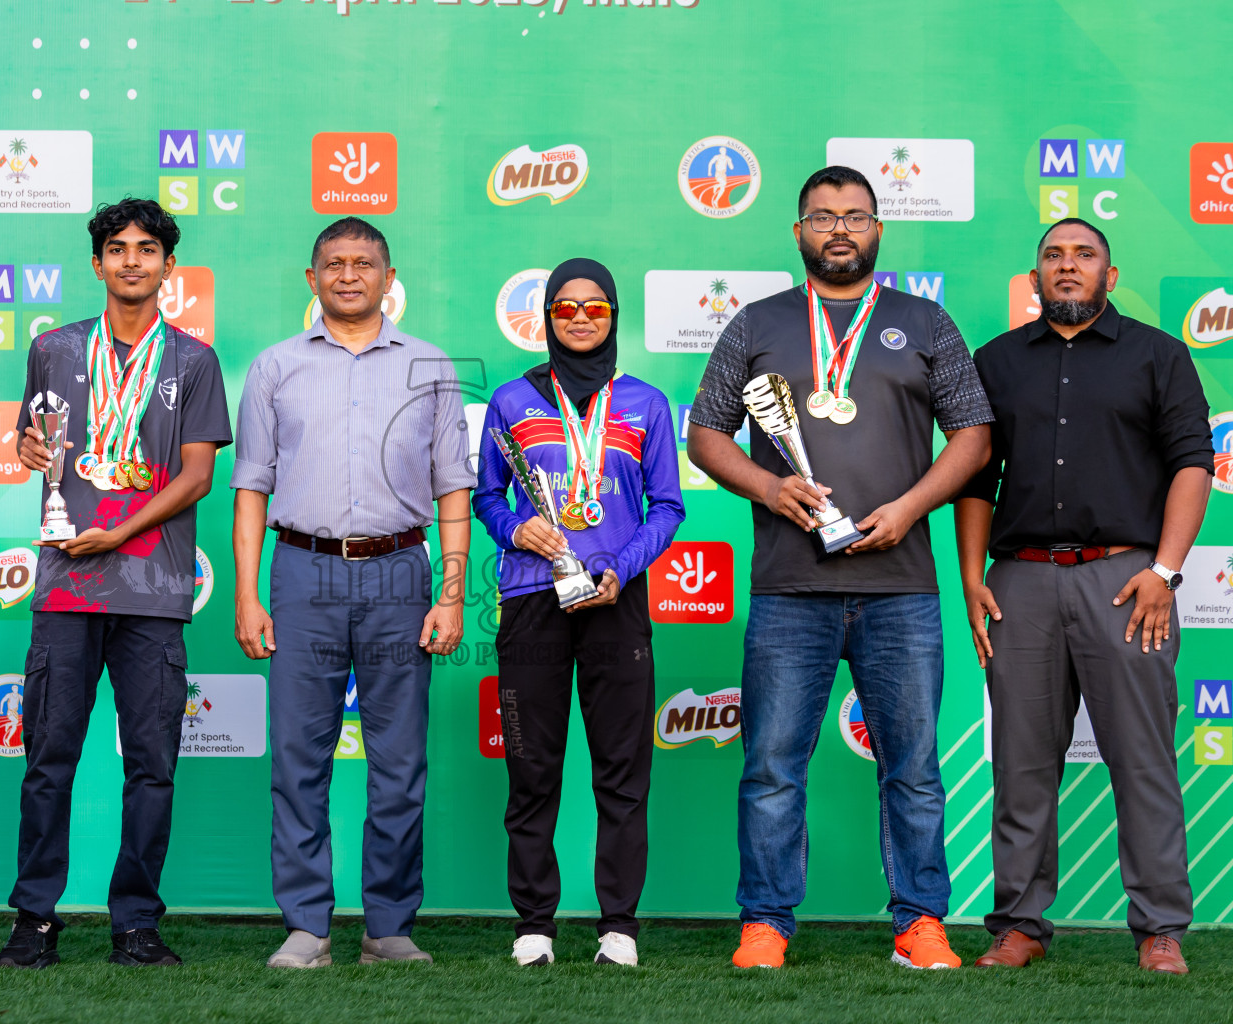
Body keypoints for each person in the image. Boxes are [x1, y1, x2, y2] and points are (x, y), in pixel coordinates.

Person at [687, 166, 993, 970]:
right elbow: (705, 433)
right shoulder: (757, 323)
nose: (840, 230)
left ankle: (920, 921)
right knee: (773, 768)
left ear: (879, 230)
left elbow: (973, 435)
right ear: (798, 232)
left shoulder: (925, 322)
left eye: (855, 216)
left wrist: (910, 507)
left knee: (915, 770)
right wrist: (767, 486)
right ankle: (766, 923)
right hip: (792, 586)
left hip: (902, 588)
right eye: (822, 217)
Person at [955, 218, 1212, 975]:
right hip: (1021, 582)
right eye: (1052, 256)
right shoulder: (996, 362)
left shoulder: (1159, 356)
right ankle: (1019, 925)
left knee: (1144, 763)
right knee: (1022, 763)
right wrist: (972, 580)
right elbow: (976, 478)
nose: (1068, 266)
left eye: (1084, 255)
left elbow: (1193, 464)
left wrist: (1164, 573)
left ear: (1110, 271)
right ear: (1034, 277)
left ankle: (1160, 927)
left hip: (1126, 581)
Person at [0, 198, 233, 969]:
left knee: (152, 765)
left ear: (169, 266)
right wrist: (31, 453)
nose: (132, 260)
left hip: (155, 591)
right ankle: (34, 917)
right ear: (96, 263)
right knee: (47, 759)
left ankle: (135, 921)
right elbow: (36, 444)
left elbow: (197, 476)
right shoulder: (53, 348)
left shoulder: (194, 361)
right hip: (67, 585)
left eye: (147, 248)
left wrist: (123, 531)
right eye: (117, 248)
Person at [232, 217, 475, 968]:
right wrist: (247, 594)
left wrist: (454, 594)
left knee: (399, 760)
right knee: (298, 758)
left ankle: (388, 927)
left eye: (362, 263)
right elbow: (249, 489)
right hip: (301, 571)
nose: (347, 275)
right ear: (311, 279)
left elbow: (454, 492)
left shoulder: (431, 366)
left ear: (387, 276)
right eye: (332, 264)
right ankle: (306, 926)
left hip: (402, 575)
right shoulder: (275, 368)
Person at [473, 258, 685, 967]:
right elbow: (486, 497)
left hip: (615, 603)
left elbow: (670, 507)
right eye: (566, 309)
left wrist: (620, 568)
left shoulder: (646, 403)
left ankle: (617, 927)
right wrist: (514, 530)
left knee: (621, 771)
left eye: (596, 308)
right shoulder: (512, 401)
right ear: (548, 319)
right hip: (533, 600)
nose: (582, 319)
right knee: (533, 768)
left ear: (615, 316)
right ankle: (534, 923)